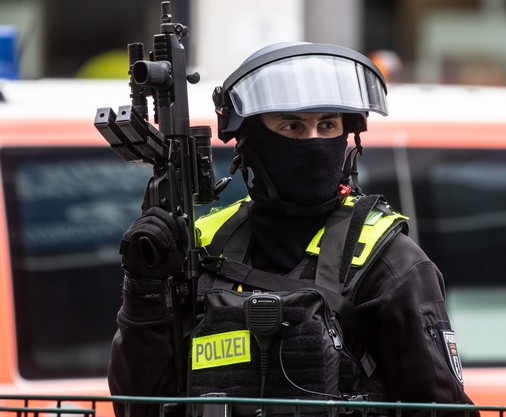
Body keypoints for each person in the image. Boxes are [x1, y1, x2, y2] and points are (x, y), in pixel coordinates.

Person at [108, 42, 477, 417]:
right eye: (292, 126)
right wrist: (145, 292)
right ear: (251, 139)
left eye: (328, 125)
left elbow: (441, 409)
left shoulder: (390, 260)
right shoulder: (203, 247)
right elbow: (137, 404)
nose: (315, 142)